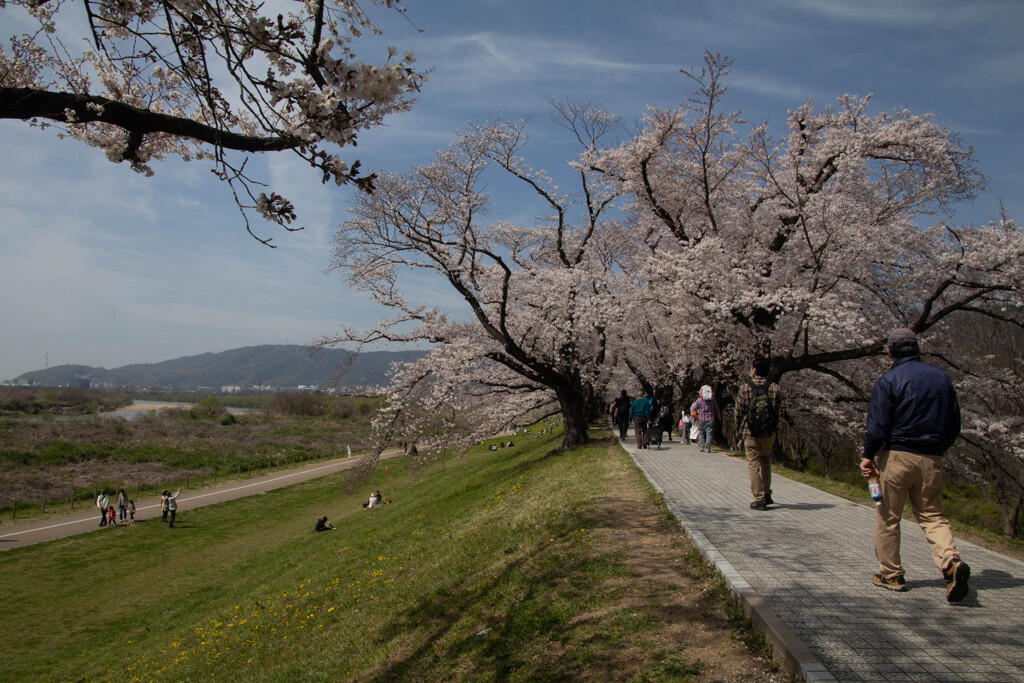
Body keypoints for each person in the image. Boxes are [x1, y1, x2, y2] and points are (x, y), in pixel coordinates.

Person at [860, 328, 969, 602]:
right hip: (932, 458)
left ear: (889, 353)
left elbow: (879, 425)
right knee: (933, 515)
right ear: (919, 349)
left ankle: (891, 574)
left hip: (897, 456)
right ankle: (950, 562)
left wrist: (869, 455)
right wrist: (938, 448)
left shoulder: (890, 380)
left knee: (888, 516)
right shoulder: (941, 379)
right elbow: (954, 423)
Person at [733, 358, 781, 510]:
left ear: (754, 370)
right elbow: (779, 411)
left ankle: (758, 498)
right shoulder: (775, 388)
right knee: (765, 460)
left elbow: (738, 412)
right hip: (768, 433)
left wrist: (738, 429)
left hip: (750, 432)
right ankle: (767, 493)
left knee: (753, 463)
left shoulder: (745, 388)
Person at [694, 386, 720, 453]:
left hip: (702, 419)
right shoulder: (713, 399)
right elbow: (717, 408)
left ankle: (701, 446)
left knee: (701, 433)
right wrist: (719, 416)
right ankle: (708, 448)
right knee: (709, 433)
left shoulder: (699, 400)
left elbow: (694, 409)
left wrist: (697, 416)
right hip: (711, 419)